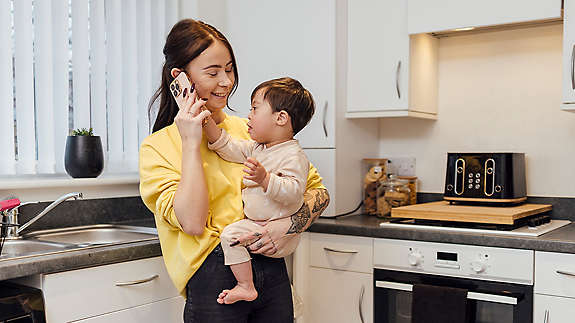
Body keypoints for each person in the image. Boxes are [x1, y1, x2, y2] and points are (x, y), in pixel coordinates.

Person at [138, 19, 330, 323]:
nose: (227, 81)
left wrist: (292, 224)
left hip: (271, 268)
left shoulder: (250, 132)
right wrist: (190, 141)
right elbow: (192, 222)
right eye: (213, 72)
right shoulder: (157, 147)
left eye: (229, 69)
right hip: (214, 277)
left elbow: (318, 192)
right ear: (180, 79)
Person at [203, 77, 315, 305]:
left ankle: (245, 285)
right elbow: (228, 147)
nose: (249, 115)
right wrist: (206, 121)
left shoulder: (293, 155)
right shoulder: (258, 148)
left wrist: (265, 179)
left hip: (277, 231)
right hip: (257, 226)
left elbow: (294, 192)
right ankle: (247, 286)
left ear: (281, 118)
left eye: (255, 108)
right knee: (231, 236)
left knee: (231, 236)